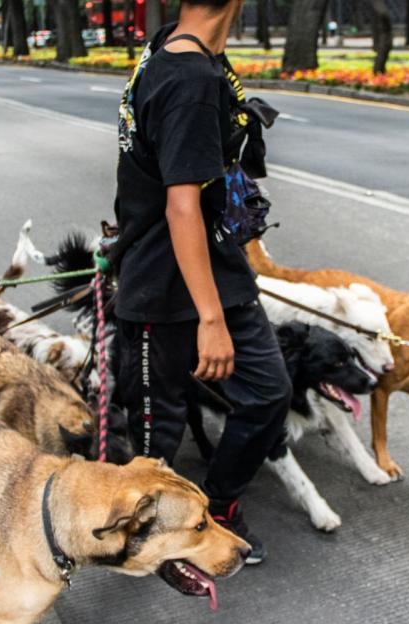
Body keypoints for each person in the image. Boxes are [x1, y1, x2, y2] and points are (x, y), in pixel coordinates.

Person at [108, 1, 290, 564]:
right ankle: (140, 545)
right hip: (163, 288)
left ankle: (215, 507)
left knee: (267, 392)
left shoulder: (189, 49)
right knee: (153, 438)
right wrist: (210, 320)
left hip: (217, 268)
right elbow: (181, 207)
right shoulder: (187, 77)